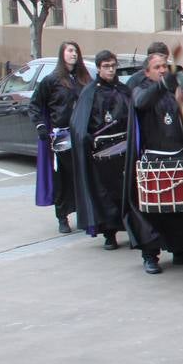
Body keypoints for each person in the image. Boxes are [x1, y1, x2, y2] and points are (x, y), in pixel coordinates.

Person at [123, 52, 183, 274]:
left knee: (181, 213)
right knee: (153, 214)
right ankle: (150, 255)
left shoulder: (171, 93)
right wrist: (165, 84)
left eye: (164, 66)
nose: (162, 70)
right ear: (147, 72)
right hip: (154, 160)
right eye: (157, 67)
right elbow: (141, 103)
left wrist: (182, 108)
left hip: (176, 156)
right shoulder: (141, 91)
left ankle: (180, 251)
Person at [70, 50, 132, 249]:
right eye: (106, 66)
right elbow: (79, 124)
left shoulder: (123, 90)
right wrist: (87, 138)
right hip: (101, 153)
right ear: (98, 68)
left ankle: (132, 228)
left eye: (113, 66)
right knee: (105, 195)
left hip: (124, 150)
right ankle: (109, 234)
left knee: (126, 192)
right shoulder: (90, 92)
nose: (111, 70)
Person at [30, 40, 91, 233]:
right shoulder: (52, 79)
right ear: (62, 54)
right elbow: (35, 104)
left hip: (82, 135)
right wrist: (40, 125)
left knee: (83, 176)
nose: (74, 54)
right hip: (61, 136)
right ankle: (62, 217)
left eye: (76, 50)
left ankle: (86, 215)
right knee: (62, 178)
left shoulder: (84, 78)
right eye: (70, 50)